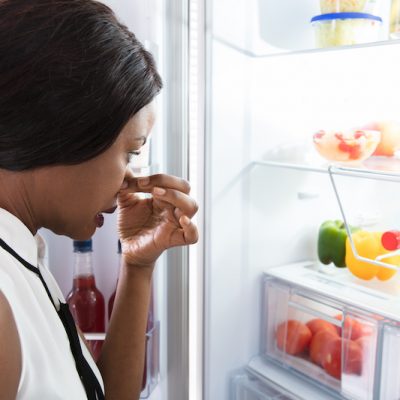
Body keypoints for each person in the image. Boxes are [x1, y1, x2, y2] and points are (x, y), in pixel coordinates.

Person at [0, 0, 198, 399]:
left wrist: (137, 265)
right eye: (131, 151)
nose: (129, 179)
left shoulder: (23, 250)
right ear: (67, 129)